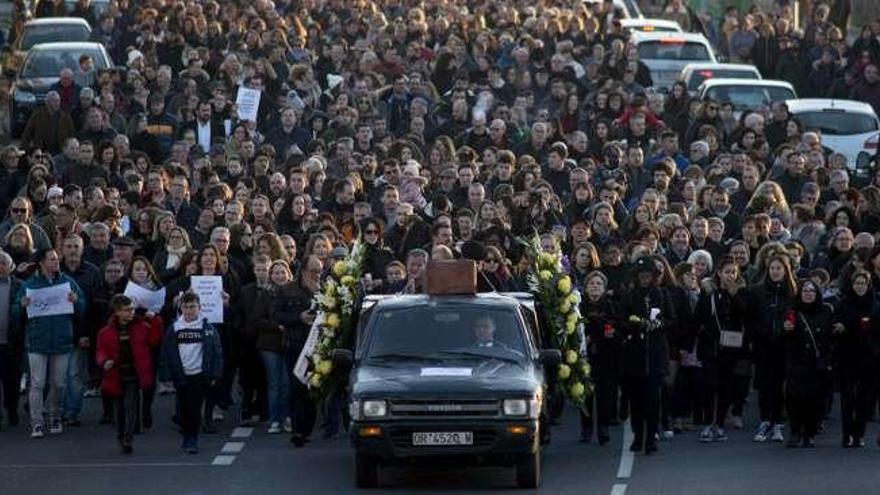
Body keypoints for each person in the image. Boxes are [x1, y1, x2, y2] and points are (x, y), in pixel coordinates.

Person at [12, 248, 86, 438]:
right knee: (37, 383)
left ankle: (55, 416)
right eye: (52, 259)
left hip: (62, 340)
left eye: (56, 259)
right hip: (37, 340)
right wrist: (21, 305)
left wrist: (76, 301)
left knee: (59, 383)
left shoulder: (67, 282)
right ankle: (36, 422)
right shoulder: (30, 284)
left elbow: (82, 307)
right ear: (42, 263)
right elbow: (15, 311)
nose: (56, 261)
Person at [619, 257, 675, 454]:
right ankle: (637, 435)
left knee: (653, 400)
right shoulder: (630, 295)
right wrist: (636, 325)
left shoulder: (662, 294)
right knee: (636, 400)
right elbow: (621, 321)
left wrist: (658, 324)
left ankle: (651, 437)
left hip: (656, 354)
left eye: (648, 275)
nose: (644, 279)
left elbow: (671, 319)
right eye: (641, 275)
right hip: (634, 354)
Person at [95, 295, 163, 453]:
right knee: (119, 409)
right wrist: (104, 361)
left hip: (134, 373)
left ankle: (128, 437)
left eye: (132, 309)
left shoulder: (142, 327)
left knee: (131, 406)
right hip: (116, 374)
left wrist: (155, 320)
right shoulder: (105, 332)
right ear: (117, 312)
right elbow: (100, 351)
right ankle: (121, 434)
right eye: (127, 310)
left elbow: (155, 339)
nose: (132, 312)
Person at [159, 292, 223, 454]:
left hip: (199, 375)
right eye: (186, 307)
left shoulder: (207, 329)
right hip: (181, 375)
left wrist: (215, 374)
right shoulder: (174, 328)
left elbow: (216, 353)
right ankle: (186, 435)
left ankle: (192, 439)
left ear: (199, 308)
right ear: (180, 308)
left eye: (192, 307)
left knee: (194, 409)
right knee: (183, 409)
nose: (189, 310)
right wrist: (165, 377)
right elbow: (166, 353)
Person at [274, 255, 321, 446]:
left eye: (320, 270)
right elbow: (276, 314)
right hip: (294, 345)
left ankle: (307, 429)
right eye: (313, 271)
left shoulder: (326, 289)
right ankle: (297, 430)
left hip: (317, 347)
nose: (317, 275)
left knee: (312, 388)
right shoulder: (287, 290)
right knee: (296, 387)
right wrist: (298, 317)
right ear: (303, 271)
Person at [783, 280, 832, 448]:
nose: (808, 293)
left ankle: (810, 433)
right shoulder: (793, 311)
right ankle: (795, 431)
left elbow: (831, 336)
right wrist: (786, 330)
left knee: (815, 399)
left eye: (812, 290)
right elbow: (784, 339)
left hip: (818, 363)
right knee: (795, 399)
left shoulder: (826, 311)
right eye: (805, 290)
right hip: (797, 361)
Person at [834, 270, 878, 448]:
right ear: (852, 285)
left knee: (863, 398)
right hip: (847, 355)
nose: (860, 287)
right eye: (857, 283)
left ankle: (859, 433)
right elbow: (835, 323)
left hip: (869, 357)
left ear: (868, 285)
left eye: (863, 283)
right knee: (847, 398)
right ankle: (847, 434)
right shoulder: (844, 303)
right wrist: (840, 328)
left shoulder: (875, 305)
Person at [0, 251, 23, 427]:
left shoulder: (20, 286)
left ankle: (13, 410)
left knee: (12, 381)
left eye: (3, 263)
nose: (0, 266)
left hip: (13, 342)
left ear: (11, 267)